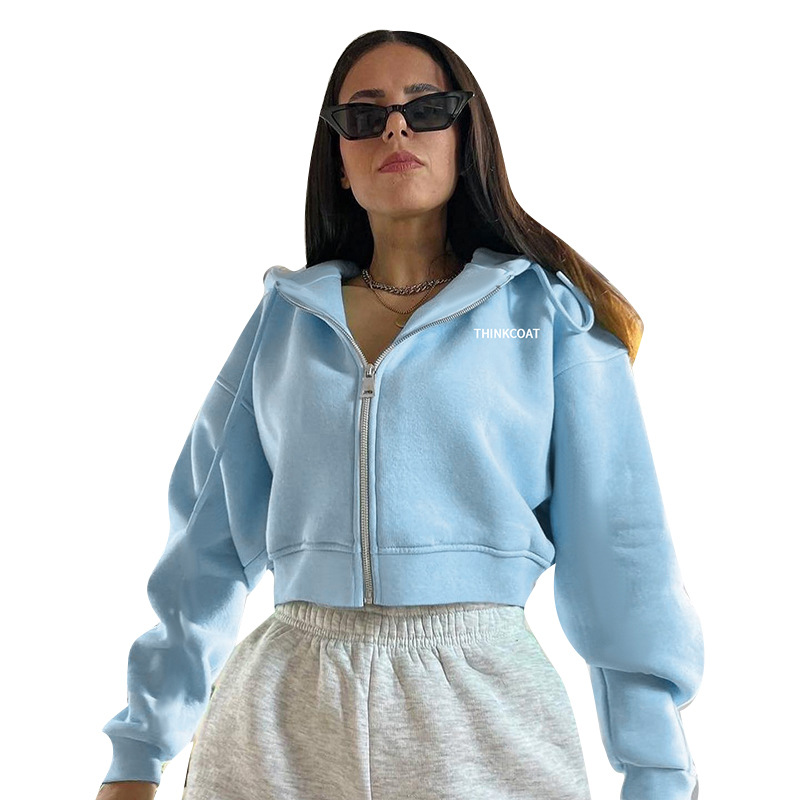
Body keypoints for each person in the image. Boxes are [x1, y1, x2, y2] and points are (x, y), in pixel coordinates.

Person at [96, 29, 704, 800]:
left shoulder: (545, 319)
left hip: (484, 706)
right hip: (282, 715)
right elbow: (203, 547)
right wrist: (139, 750)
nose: (395, 129)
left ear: (465, 140)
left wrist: (657, 770)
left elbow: (621, 551)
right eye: (364, 115)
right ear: (339, 161)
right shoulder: (284, 323)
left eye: (425, 108)